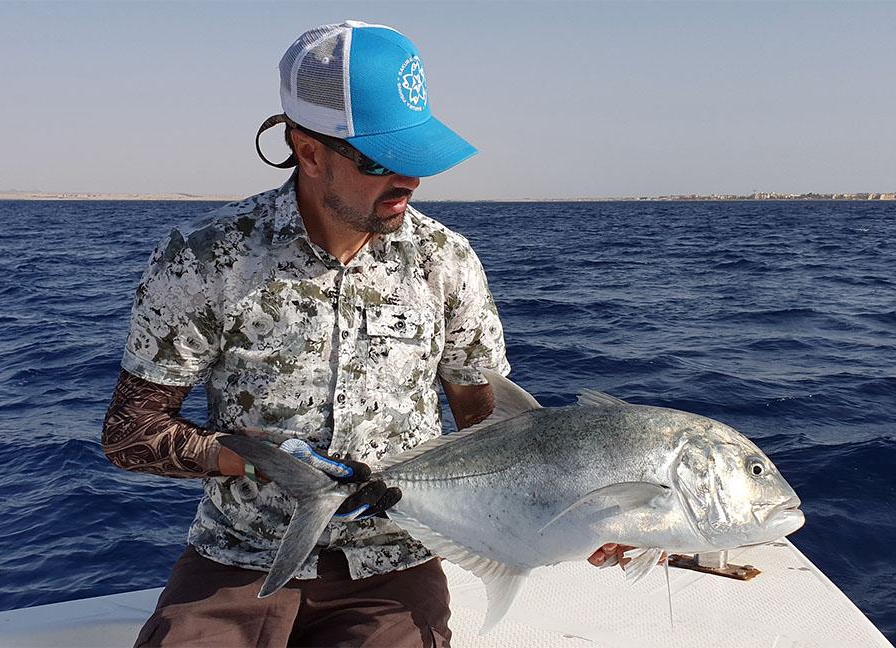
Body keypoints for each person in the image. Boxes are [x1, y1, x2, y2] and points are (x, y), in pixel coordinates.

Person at [103, 19, 635, 647]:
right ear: (308, 151)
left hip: (395, 562)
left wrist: (572, 515)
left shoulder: (447, 261)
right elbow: (130, 433)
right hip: (240, 556)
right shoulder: (205, 257)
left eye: (419, 160)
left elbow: (494, 432)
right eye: (385, 161)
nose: (408, 182)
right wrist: (254, 461)